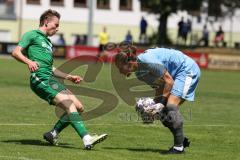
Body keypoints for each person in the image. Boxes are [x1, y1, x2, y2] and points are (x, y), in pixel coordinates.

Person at [11, 9, 107, 149]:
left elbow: (50, 68)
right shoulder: (31, 35)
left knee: (79, 107)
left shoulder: (48, 43)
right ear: (46, 22)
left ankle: (53, 133)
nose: (57, 28)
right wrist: (29, 62)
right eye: (55, 25)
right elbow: (15, 52)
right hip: (39, 78)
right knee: (69, 104)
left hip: (50, 79)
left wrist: (69, 77)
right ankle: (87, 138)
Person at [114, 46, 201, 154]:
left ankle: (178, 148)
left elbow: (169, 82)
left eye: (120, 67)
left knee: (170, 106)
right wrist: (152, 108)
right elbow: (160, 86)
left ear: (129, 62)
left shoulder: (146, 60)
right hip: (175, 75)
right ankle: (180, 140)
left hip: (187, 69)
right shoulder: (139, 74)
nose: (120, 71)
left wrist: (159, 104)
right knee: (163, 113)